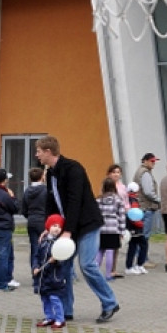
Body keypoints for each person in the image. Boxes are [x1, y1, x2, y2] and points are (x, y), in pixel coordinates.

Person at [36, 136, 121, 322]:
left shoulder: (73, 169)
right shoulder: (50, 173)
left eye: (39, 151)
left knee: (87, 265)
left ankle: (110, 303)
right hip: (68, 227)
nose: (37, 155)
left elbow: (75, 201)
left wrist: (68, 231)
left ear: (49, 152)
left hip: (86, 224)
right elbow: (51, 202)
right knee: (63, 266)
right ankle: (66, 310)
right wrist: (48, 227)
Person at [33, 214, 69, 329]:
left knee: (55, 298)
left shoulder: (60, 244)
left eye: (59, 226)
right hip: (42, 277)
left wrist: (56, 259)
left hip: (54, 277)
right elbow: (36, 256)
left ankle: (60, 319)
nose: (57, 228)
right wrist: (35, 267)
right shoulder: (43, 241)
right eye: (54, 225)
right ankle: (49, 317)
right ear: (48, 227)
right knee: (45, 298)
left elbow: (63, 260)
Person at [21, 166, 48, 285]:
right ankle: (44, 274)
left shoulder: (27, 190)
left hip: (31, 221)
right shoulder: (46, 190)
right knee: (45, 248)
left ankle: (34, 273)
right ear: (42, 177)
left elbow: (23, 209)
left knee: (34, 248)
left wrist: (30, 216)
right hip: (43, 221)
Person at [96, 176, 126, 279]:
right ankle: (108, 274)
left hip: (101, 229)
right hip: (113, 229)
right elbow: (121, 216)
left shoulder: (99, 199)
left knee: (100, 251)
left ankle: (95, 273)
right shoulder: (117, 200)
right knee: (110, 251)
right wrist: (122, 231)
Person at [133, 153, 161, 262]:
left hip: (141, 206)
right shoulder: (145, 173)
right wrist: (158, 199)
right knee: (145, 234)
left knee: (140, 234)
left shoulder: (140, 171)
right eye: (151, 161)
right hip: (146, 206)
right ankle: (143, 259)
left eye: (154, 161)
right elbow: (148, 191)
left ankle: (140, 257)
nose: (153, 163)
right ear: (145, 161)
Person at [124, 183, 149, 275]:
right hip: (136, 227)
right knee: (143, 245)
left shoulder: (127, 199)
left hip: (130, 226)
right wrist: (140, 224)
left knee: (133, 246)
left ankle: (130, 265)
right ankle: (138, 264)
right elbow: (134, 215)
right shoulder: (133, 200)